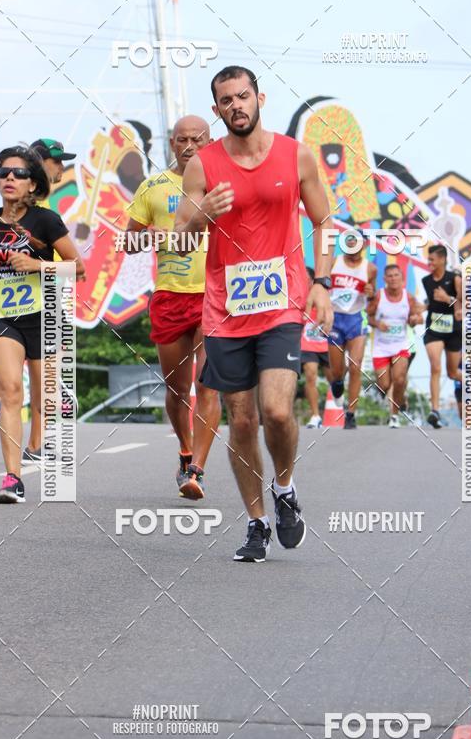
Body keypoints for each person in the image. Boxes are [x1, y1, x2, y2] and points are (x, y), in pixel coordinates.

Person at [173, 64, 334, 562]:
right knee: (242, 422)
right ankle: (257, 522)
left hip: (282, 302)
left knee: (278, 411)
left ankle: (284, 487)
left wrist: (323, 281)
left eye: (243, 96)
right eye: (226, 100)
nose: (236, 105)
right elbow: (180, 236)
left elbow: (325, 221)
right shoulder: (203, 165)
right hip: (226, 309)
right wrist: (204, 213)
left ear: (260, 97)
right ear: (218, 109)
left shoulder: (295, 155)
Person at [0, 145, 84, 502]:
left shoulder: (45, 221)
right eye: (3, 172)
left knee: (42, 395)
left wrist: (38, 266)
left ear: (32, 184)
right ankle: (12, 478)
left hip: (44, 316)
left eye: (17, 173)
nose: (9, 178)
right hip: (4, 318)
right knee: (11, 391)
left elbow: (77, 267)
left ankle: (36, 446)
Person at [124, 116, 221, 499]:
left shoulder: (222, 184)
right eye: (181, 140)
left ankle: (197, 468)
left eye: (197, 139)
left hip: (215, 294)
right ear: (170, 143)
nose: (189, 146)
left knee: (207, 385)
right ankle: (184, 452)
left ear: (210, 141)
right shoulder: (153, 187)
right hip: (170, 295)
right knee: (177, 389)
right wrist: (149, 235)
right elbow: (127, 243)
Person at [327, 231, 376, 429]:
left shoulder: (370, 268)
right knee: (337, 370)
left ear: (364, 245)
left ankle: (351, 414)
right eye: (349, 242)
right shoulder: (333, 262)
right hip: (335, 318)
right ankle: (338, 383)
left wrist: (371, 293)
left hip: (357, 318)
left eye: (357, 243)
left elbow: (372, 295)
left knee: (356, 366)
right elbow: (320, 285)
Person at [367, 264, 423, 427]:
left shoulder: (409, 297)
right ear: (384, 279)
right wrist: (377, 324)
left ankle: (394, 416)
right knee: (384, 385)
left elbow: (419, 318)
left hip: (400, 346)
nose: (393, 279)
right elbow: (369, 316)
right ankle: (400, 397)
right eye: (389, 276)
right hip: (381, 348)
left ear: (402, 279)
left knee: (399, 379)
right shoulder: (379, 296)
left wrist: (414, 320)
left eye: (396, 275)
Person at [421, 243, 462, 428]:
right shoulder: (426, 281)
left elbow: (464, 304)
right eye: (428, 259)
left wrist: (449, 299)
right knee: (435, 367)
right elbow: (430, 303)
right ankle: (435, 411)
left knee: (453, 372)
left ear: (442, 260)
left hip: (453, 330)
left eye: (432, 259)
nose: (429, 262)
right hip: (434, 328)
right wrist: (419, 309)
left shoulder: (455, 279)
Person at [300, 266, 330, 428]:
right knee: (310, 375)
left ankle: (340, 398)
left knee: (335, 378)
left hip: (327, 344)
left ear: (313, 281)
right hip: (307, 344)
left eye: (306, 279)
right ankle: (315, 415)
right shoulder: (296, 298)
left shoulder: (324, 297)